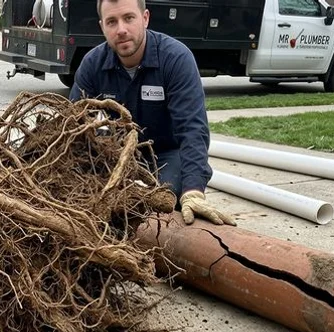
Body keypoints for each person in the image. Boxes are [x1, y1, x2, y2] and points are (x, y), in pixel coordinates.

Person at [69, 0, 235, 226]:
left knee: (159, 201)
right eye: (112, 22)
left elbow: (192, 129)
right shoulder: (92, 66)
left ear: (145, 18)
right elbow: (73, 129)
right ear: (102, 27)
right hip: (114, 156)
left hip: (165, 155)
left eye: (129, 18)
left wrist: (193, 190)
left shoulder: (175, 59)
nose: (121, 30)